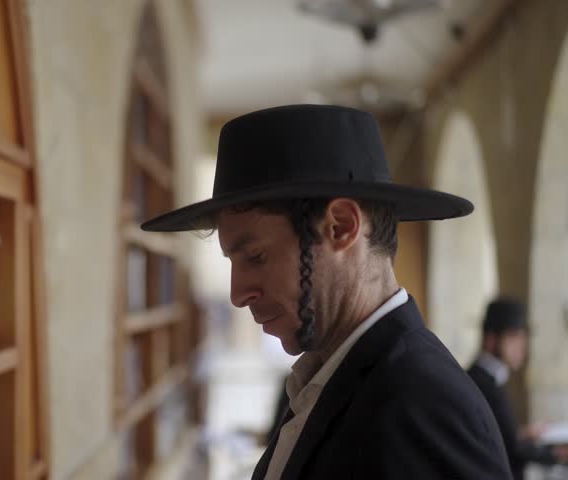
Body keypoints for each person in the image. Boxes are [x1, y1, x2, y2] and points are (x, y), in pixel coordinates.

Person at [141, 105, 512, 479]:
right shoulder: (332, 380)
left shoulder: (421, 402)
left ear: (340, 227)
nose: (238, 294)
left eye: (255, 256)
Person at [468, 298, 568, 479]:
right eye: (514, 337)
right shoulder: (482, 383)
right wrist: (558, 454)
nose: (522, 346)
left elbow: (497, 435)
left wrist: (522, 433)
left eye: (523, 337)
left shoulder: (488, 378)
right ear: (490, 339)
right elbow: (511, 448)